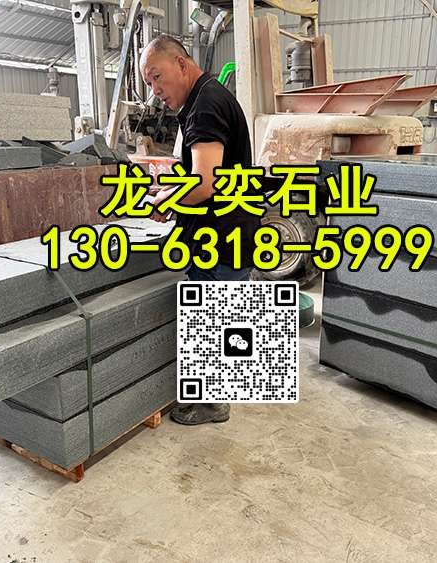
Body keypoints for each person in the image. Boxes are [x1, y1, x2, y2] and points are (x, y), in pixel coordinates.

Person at [139, 35, 260, 425]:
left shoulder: (205, 105)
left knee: (214, 320)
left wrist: (165, 202)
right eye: (149, 83)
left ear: (181, 63)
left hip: (221, 240)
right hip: (229, 235)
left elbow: (206, 184)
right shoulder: (203, 99)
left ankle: (212, 405)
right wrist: (168, 189)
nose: (155, 90)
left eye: (157, 77)